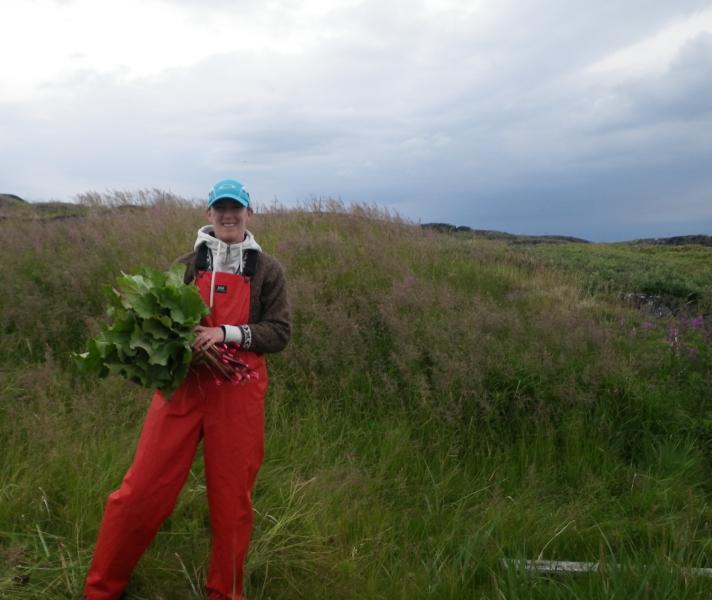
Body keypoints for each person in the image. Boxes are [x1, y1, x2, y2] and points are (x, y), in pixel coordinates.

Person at [81, 179, 291, 600]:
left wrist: (225, 335)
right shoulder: (185, 265)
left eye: (236, 208)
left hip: (238, 391)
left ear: (249, 213)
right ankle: (101, 589)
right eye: (220, 208)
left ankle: (224, 593)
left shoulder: (268, 269)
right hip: (183, 389)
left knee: (233, 503)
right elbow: (163, 325)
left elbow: (279, 332)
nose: (228, 215)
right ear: (208, 214)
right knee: (140, 491)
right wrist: (184, 343)